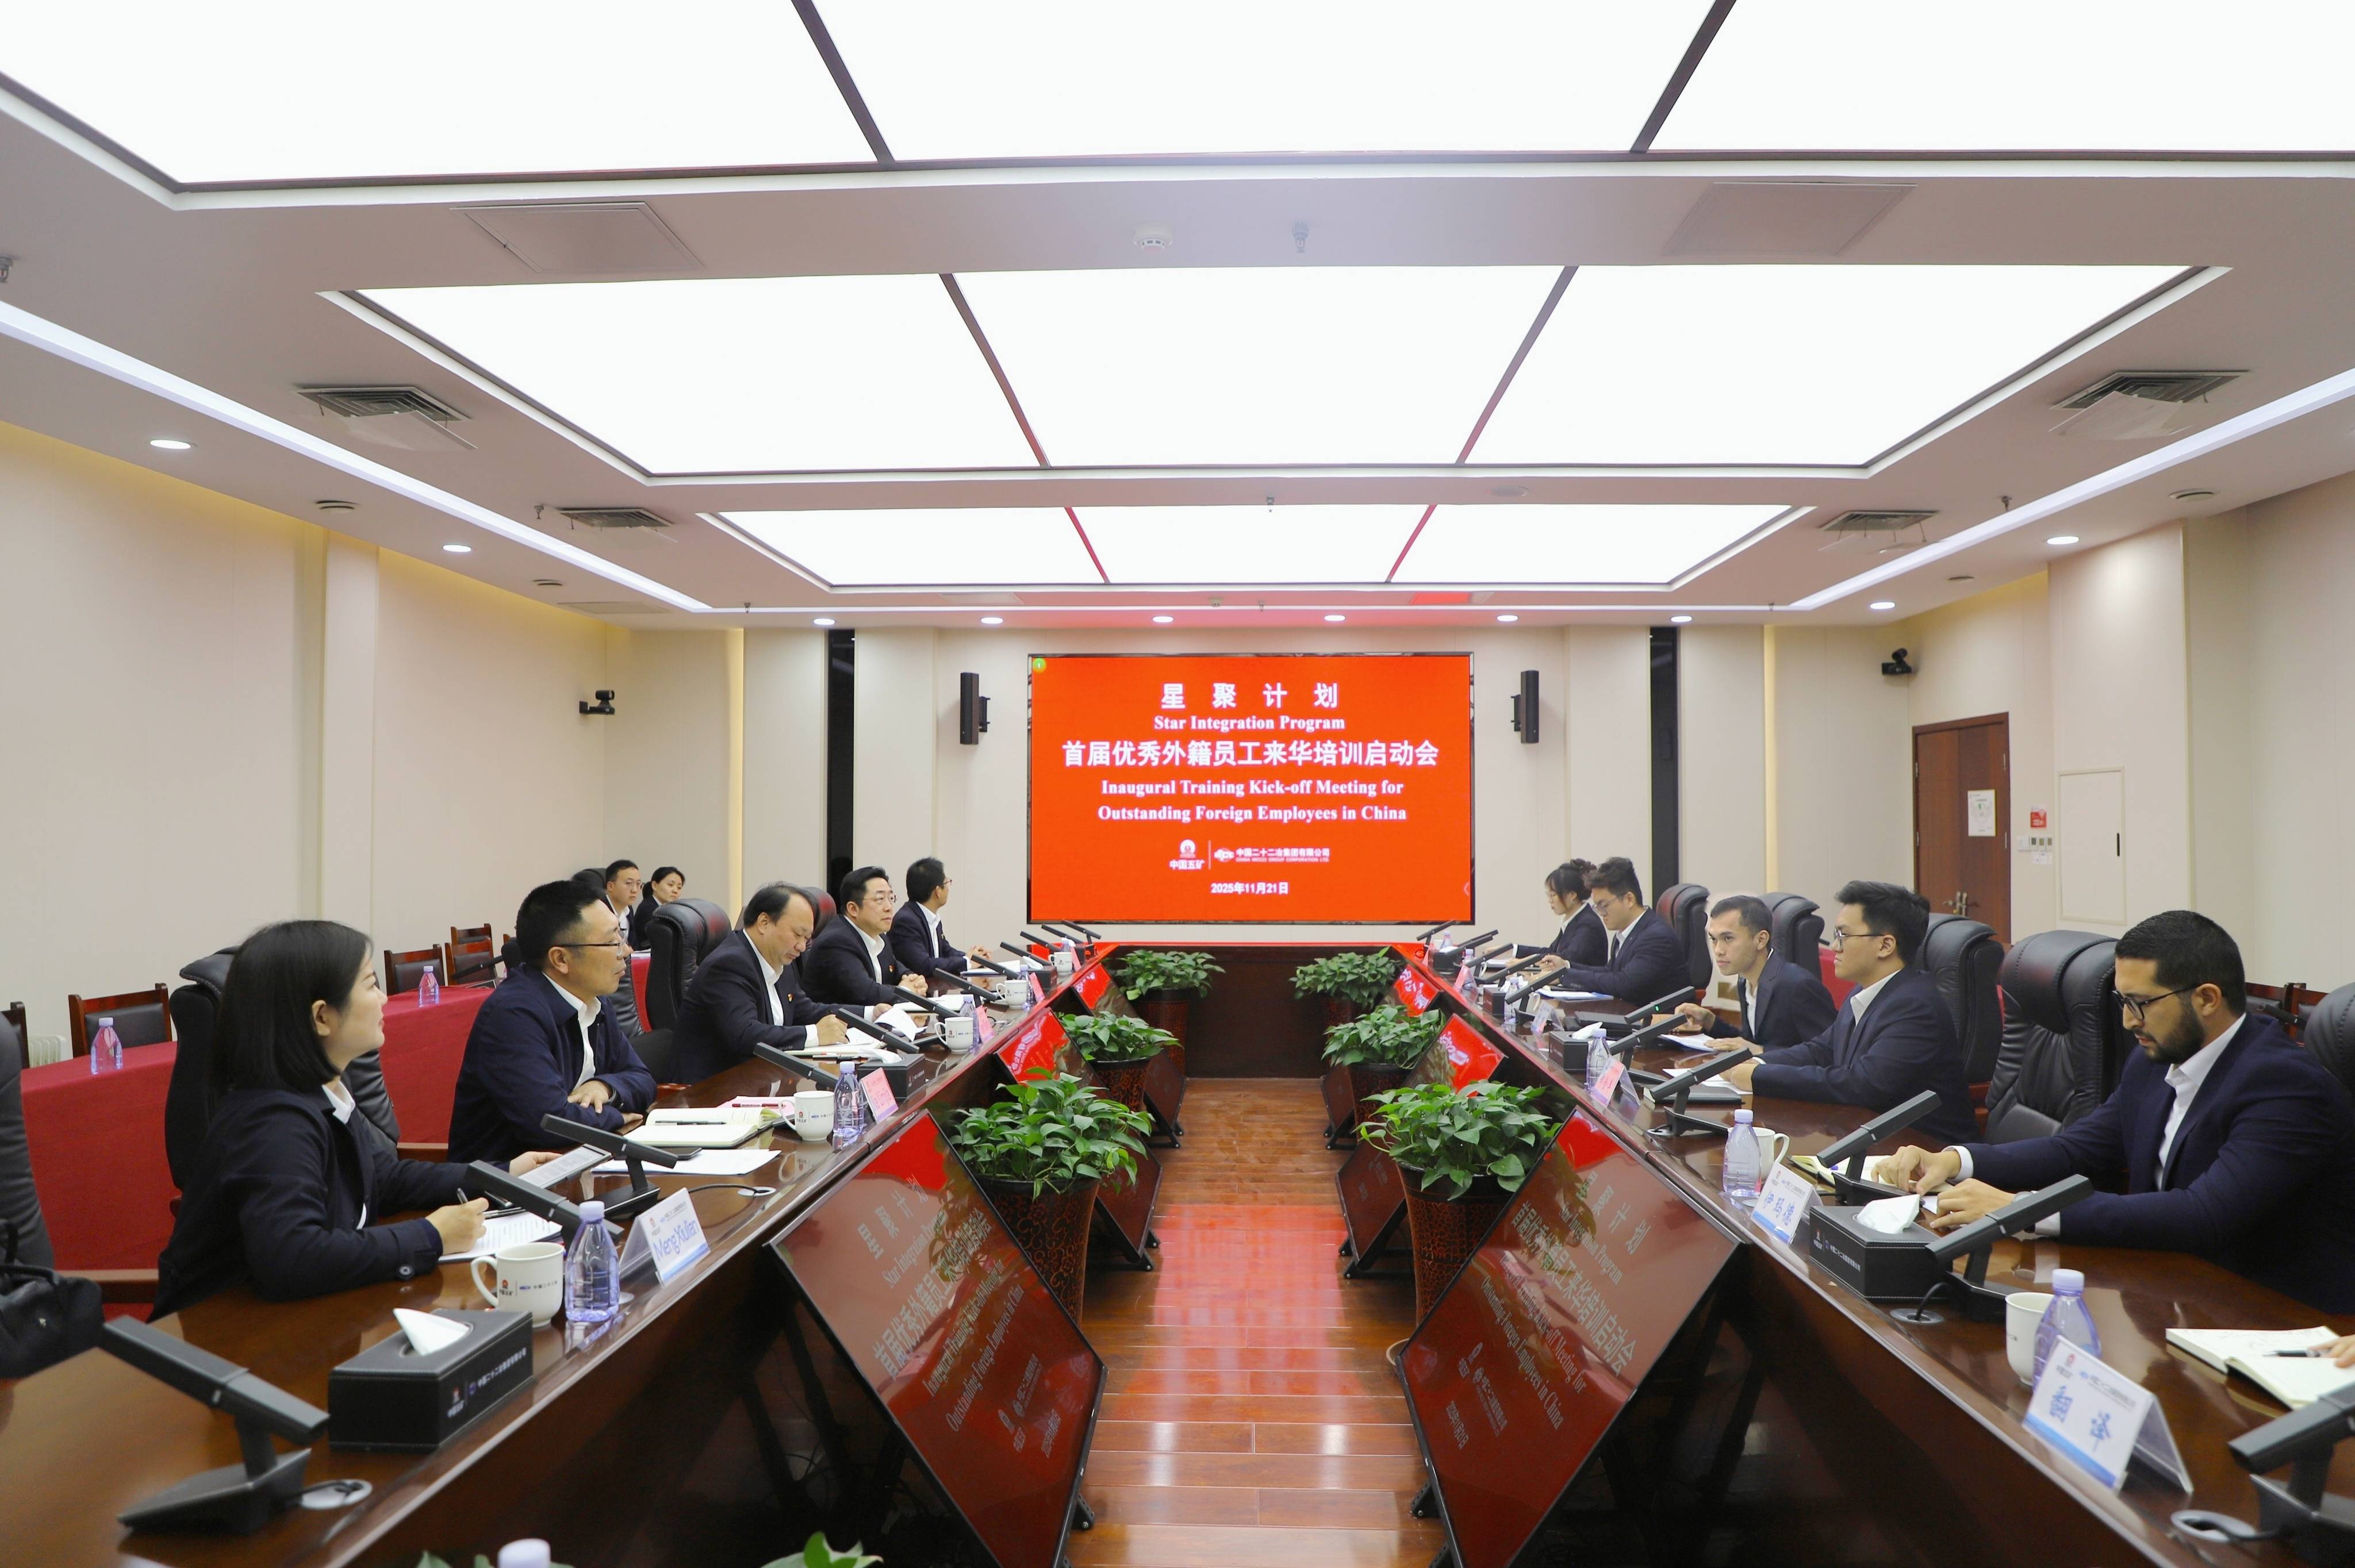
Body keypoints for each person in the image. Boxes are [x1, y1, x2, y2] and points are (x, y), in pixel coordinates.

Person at [1884, 910, 2355, 1312]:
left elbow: (2205, 1214)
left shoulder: (2284, 1085)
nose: (2129, 1021)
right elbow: (2079, 1150)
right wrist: (1956, 1160)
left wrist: (2021, 1209)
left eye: (2141, 1003)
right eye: (2122, 1002)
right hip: (2172, 1288)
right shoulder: (2156, 1058)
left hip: (2278, 1316)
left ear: (2208, 999)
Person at [153, 921, 557, 1318]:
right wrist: (431, 1236)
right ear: (322, 1018)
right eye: (370, 985)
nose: (383, 1000)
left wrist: (504, 1176)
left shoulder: (320, 1092)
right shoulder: (273, 1121)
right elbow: (292, 1256)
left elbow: (385, 1179)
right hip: (222, 1334)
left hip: (305, 1318)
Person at [1721, 881, 1975, 1143]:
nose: (1834, 946)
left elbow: (1863, 1085)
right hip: (1868, 1136)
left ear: (1885, 946)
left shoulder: (1915, 1007)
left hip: (1925, 1148)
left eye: (1844, 935)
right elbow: (1821, 1050)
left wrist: (1760, 1077)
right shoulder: (1867, 990)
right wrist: (1758, 1063)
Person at [450, 881, 658, 1164]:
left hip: (578, 1161)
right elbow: (551, 1123)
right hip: (507, 1180)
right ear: (561, 959)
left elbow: (643, 1079)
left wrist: (606, 1088)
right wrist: (618, 1116)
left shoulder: (593, 999)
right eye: (613, 942)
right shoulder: (513, 1015)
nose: (627, 950)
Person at [670, 884, 850, 1083]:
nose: (801, 947)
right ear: (764, 923)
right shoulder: (729, 964)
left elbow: (807, 1011)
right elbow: (744, 1035)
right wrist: (814, 1034)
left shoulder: (779, 959)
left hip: (763, 1079)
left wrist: (870, 1015)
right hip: (714, 1088)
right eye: (797, 934)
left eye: (807, 938)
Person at [1673, 894, 1838, 1050]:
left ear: (1761, 940)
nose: (1718, 950)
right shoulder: (1745, 980)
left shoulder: (1798, 986)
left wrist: (1762, 1051)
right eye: (1714, 939)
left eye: (1728, 938)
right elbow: (1749, 1042)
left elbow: (1829, 1053)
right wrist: (1710, 1022)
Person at [1543, 857, 1690, 1006]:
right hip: (1628, 1013)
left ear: (1629, 900)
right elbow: (1610, 971)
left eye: (1603, 905)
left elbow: (1624, 984)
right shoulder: (1626, 933)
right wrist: (1566, 966)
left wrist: (1565, 976)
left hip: (1657, 1018)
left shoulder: (1656, 937)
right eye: (1597, 907)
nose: (1601, 913)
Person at [803, 866, 931, 1006]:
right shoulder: (835, 943)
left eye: (891, 898)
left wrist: (915, 982)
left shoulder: (879, 937)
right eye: (880, 899)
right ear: (853, 909)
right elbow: (867, 994)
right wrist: (907, 991)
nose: (889, 907)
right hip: (840, 1020)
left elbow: (897, 971)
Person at [890, 857, 995, 983]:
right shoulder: (906, 921)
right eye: (947, 883)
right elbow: (923, 966)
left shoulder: (931, 917)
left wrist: (974, 957)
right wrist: (966, 962)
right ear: (938, 891)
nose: (949, 888)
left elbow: (945, 950)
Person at [1541, 860, 1606, 967]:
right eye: (1548, 895)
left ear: (1572, 895)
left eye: (1553, 895)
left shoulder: (1588, 924)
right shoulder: (1574, 920)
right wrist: (1516, 951)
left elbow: (1567, 958)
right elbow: (1551, 951)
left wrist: (1531, 962)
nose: (1550, 900)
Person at [606, 861, 645, 951]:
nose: (635, 890)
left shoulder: (628, 909)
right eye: (629, 883)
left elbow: (633, 945)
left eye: (638, 884)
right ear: (611, 886)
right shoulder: (599, 911)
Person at [635, 866, 684, 936]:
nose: (675, 891)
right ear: (655, 886)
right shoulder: (648, 910)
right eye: (671, 885)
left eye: (679, 887)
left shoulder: (667, 909)